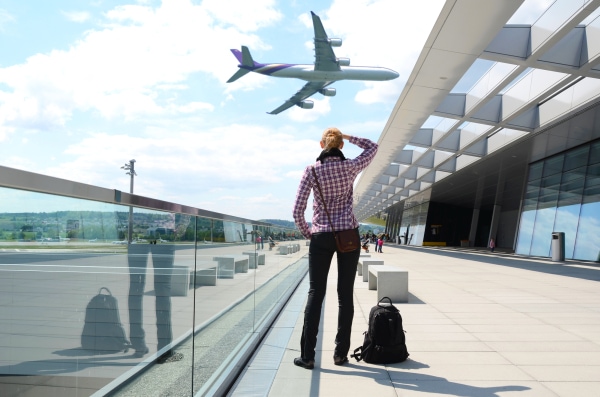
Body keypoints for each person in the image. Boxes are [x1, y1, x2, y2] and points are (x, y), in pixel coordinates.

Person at [292, 127, 378, 369]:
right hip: (348, 236)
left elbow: (297, 210)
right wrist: (350, 137)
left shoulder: (311, 170)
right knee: (345, 295)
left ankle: (308, 356)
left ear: (321, 145)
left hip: (320, 236)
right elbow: (373, 147)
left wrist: (309, 233)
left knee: (315, 293)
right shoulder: (349, 166)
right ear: (341, 146)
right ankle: (340, 354)